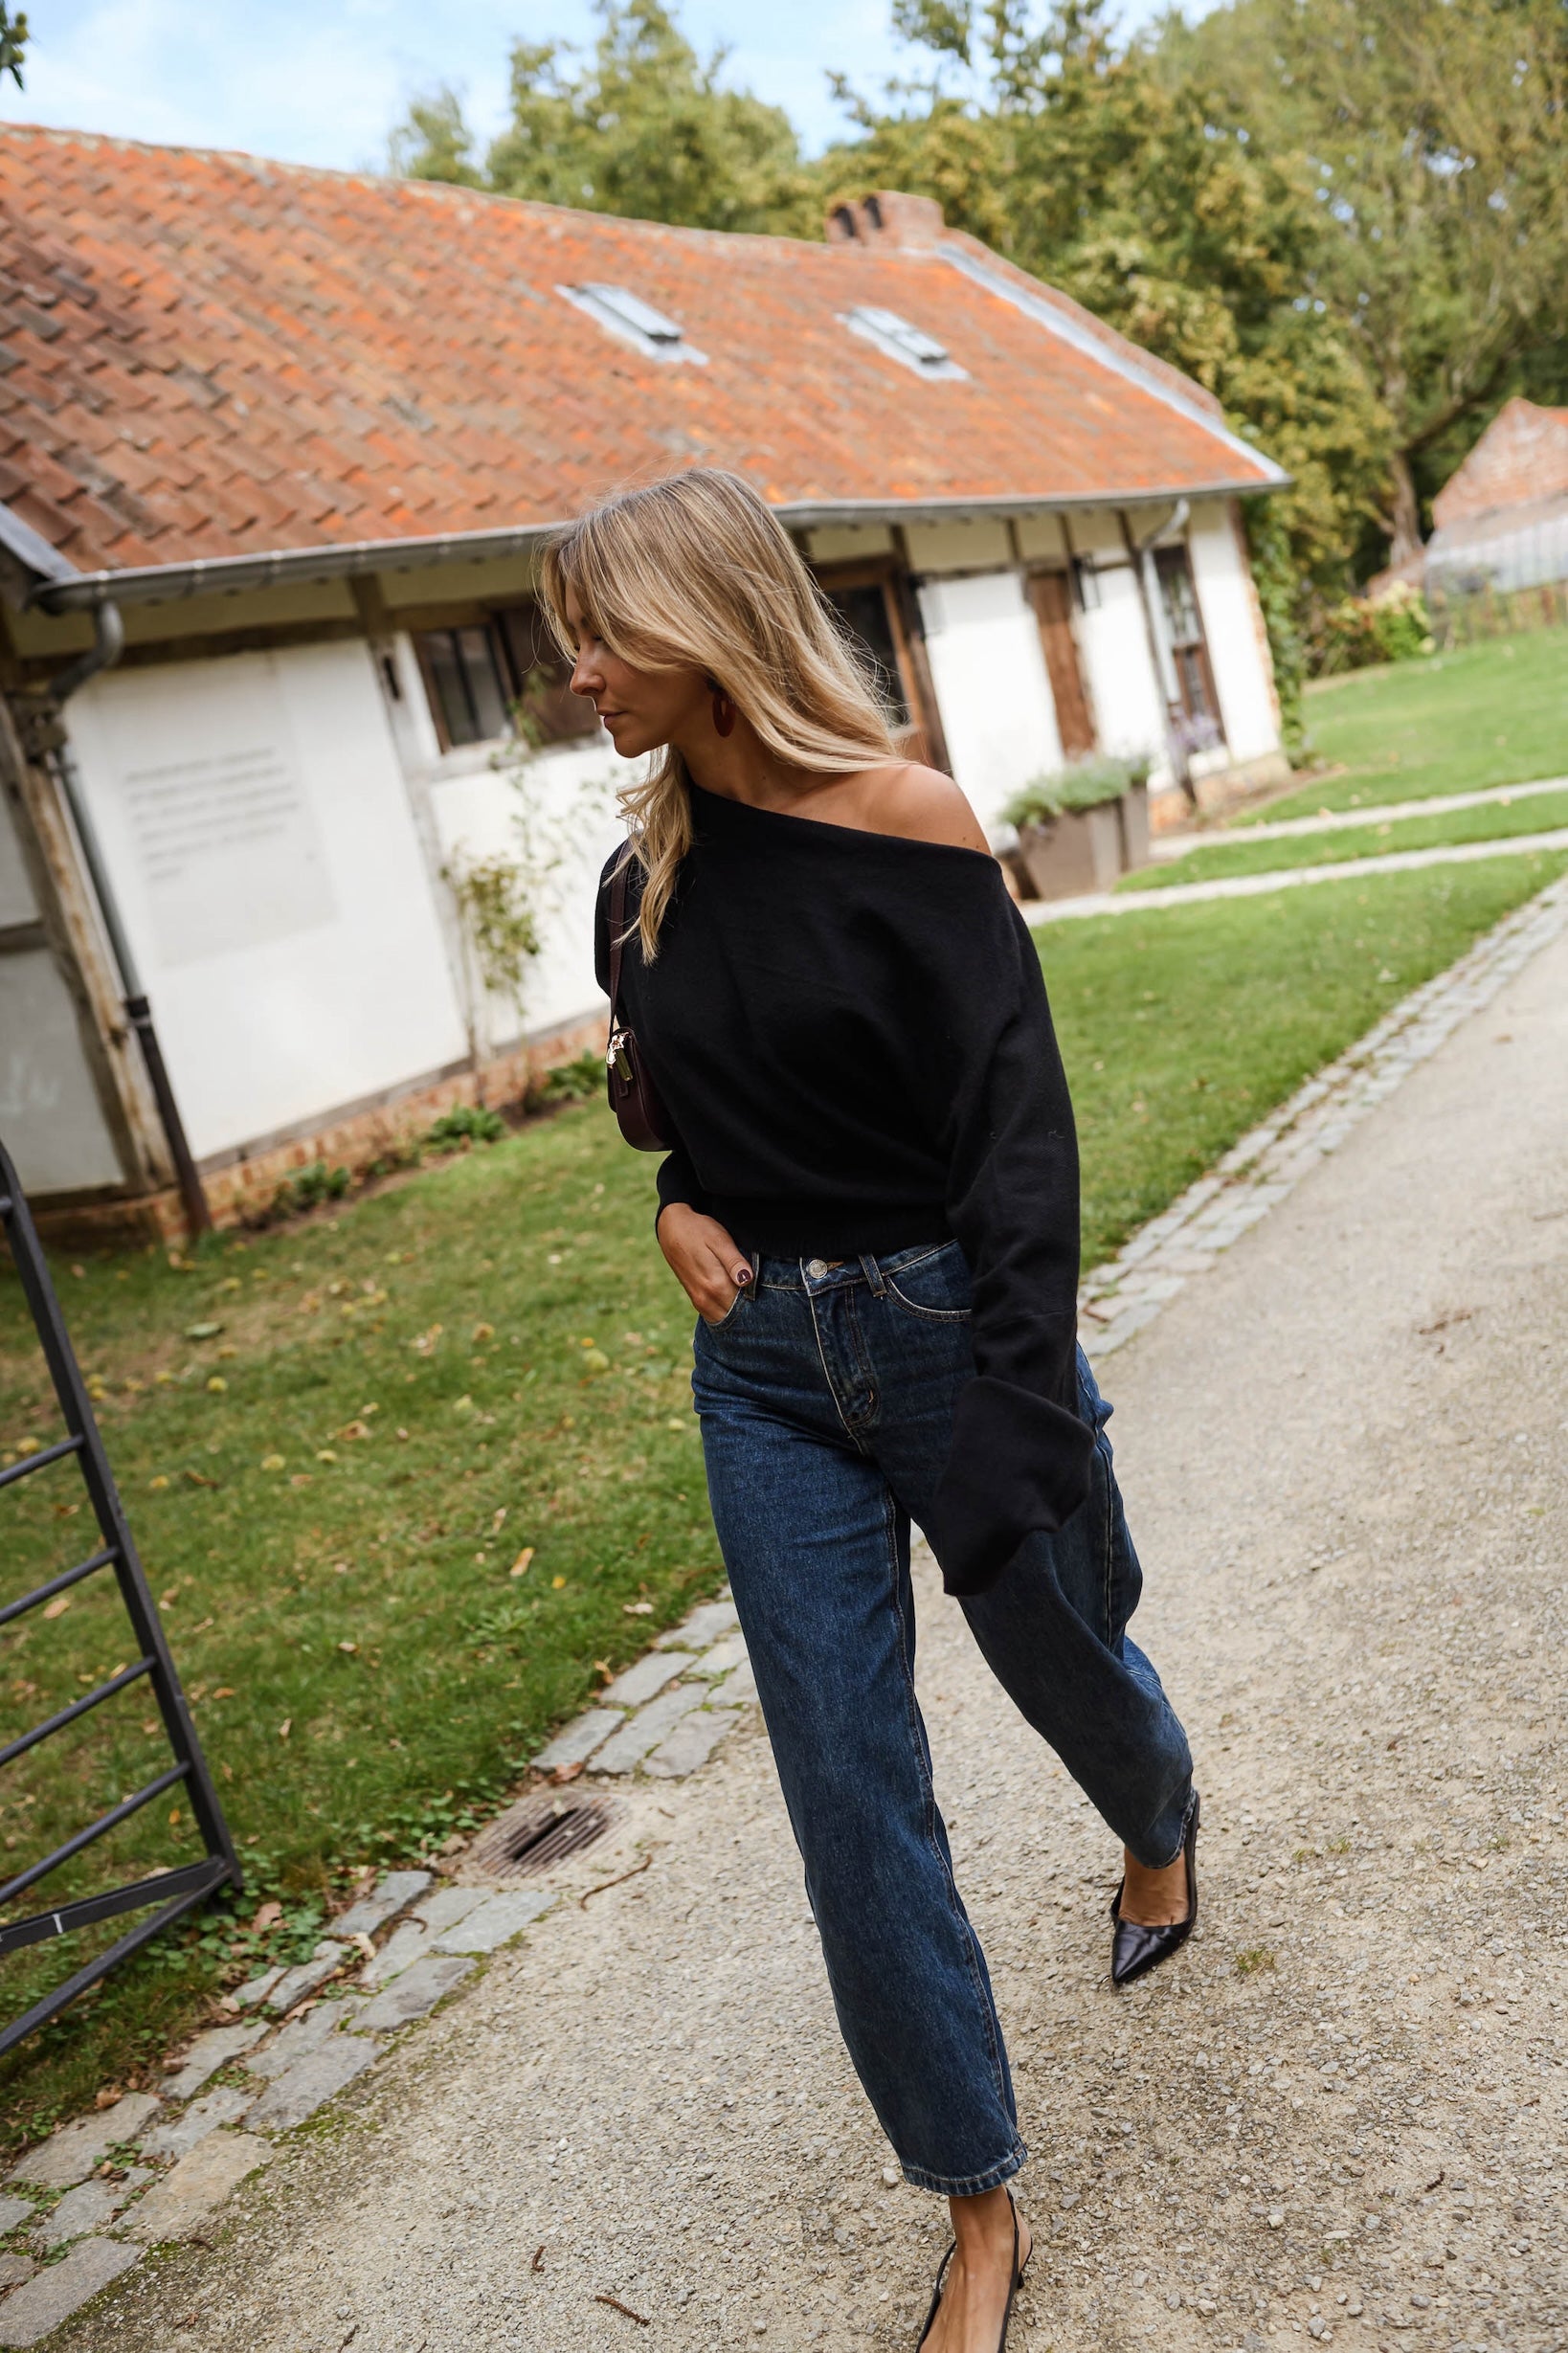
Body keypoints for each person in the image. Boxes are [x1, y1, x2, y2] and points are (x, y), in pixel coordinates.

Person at [545, 469, 1198, 2353]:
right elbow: (666, 1112)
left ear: (709, 615)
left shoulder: (906, 821)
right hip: (765, 1379)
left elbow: (1018, 1138)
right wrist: (671, 1204)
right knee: (849, 1791)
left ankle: (1158, 1815)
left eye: (604, 629)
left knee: (1073, 1648)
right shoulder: (639, 874)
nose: (579, 671)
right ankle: (978, 2200)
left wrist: (1015, 1391)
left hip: (947, 1326)